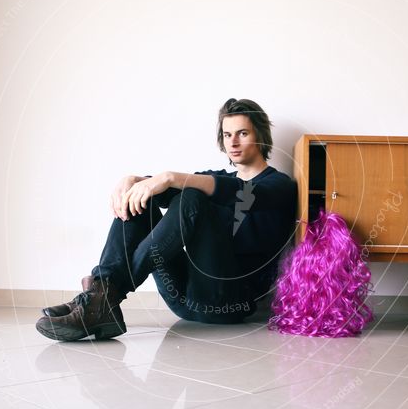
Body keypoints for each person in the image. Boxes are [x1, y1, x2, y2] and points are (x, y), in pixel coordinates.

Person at [36, 98, 298, 341]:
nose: (233, 142)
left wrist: (170, 177)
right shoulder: (217, 177)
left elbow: (240, 193)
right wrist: (135, 180)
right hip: (182, 297)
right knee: (145, 199)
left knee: (191, 195)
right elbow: (166, 189)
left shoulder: (279, 185)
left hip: (227, 303)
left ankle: (100, 299)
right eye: (227, 135)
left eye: (243, 133)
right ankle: (100, 297)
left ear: (261, 136)